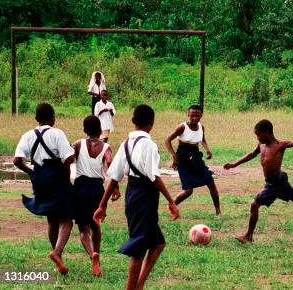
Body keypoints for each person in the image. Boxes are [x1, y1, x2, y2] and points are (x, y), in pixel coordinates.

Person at [93, 104, 180, 290]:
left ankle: (138, 286)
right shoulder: (149, 144)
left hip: (132, 194)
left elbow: (114, 177)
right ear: (152, 123)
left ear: (133, 121)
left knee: (158, 243)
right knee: (139, 249)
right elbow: (154, 177)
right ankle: (132, 288)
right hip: (144, 196)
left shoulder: (126, 144)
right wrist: (171, 201)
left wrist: (102, 205)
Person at [13, 103, 75, 275]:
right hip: (57, 177)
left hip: (39, 177)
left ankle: (58, 260)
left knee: (51, 219)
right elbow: (68, 158)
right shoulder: (57, 133)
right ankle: (56, 253)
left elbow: (17, 160)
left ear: (36, 119)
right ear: (53, 117)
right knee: (67, 219)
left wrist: (32, 172)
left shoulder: (27, 135)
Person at [72, 115, 120, 277]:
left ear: (84, 130)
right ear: (100, 130)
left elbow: (67, 159)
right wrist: (116, 187)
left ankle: (92, 254)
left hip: (80, 187)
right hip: (97, 189)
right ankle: (97, 258)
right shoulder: (106, 147)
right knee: (95, 224)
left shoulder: (78, 144)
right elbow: (110, 164)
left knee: (83, 229)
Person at [164, 105, 221, 214]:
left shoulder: (201, 126)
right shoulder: (182, 127)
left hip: (196, 157)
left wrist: (207, 149)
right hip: (183, 158)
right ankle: (172, 205)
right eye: (192, 115)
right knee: (188, 191)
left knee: (211, 182)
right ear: (188, 115)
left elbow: (202, 138)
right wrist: (174, 156)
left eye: (197, 115)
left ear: (201, 115)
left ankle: (218, 211)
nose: (195, 118)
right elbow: (167, 140)